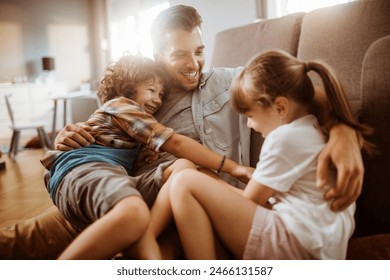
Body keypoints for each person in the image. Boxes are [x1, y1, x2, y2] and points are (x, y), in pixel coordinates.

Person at [0, 5, 364, 259]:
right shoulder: (141, 101)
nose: (194, 64)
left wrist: (343, 131)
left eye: (200, 51)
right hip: (121, 192)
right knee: (20, 242)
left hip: (199, 207)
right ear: (157, 55)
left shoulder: (227, 82)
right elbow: (105, 128)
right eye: (179, 55)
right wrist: (73, 136)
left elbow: (299, 90)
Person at [161, 49, 373, 259]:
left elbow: (251, 199)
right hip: (320, 246)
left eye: (250, 116)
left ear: (281, 107)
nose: (250, 125)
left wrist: (210, 185)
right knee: (196, 184)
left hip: (296, 244)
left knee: (184, 182)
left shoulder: (284, 138)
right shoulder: (313, 126)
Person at [40, 54, 251, 260]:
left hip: (114, 177)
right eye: (151, 90)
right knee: (133, 212)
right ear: (127, 87)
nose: (157, 100)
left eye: (160, 94)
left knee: (183, 167)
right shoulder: (121, 105)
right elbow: (175, 142)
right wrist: (233, 168)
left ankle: (147, 237)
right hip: (85, 169)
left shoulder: (135, 133)